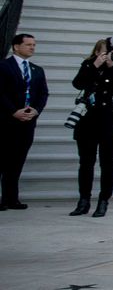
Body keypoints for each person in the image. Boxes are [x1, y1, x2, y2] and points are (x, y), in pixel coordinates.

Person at [70, 37, 113, 217]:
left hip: (110, 120)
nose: (109, 54)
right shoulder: (89, 64)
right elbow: (78, 83)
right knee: (86, 162)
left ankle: (104, 200)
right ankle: (83, 200)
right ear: (97, 52)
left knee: (108, 162)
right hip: (88, 119)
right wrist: (94, 65)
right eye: (105, 51)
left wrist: (112, 65)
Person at [1, 33, 49, 210]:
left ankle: (11, 198)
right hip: (7, 121)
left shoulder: (37, 70)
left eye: (34, 45)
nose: (32, 48)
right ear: (16, 46)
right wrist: (13, 111)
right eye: (28, 44)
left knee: (17, 161)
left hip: (27, 122)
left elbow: (43, 93)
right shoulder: (4, 66)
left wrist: (35, 110)